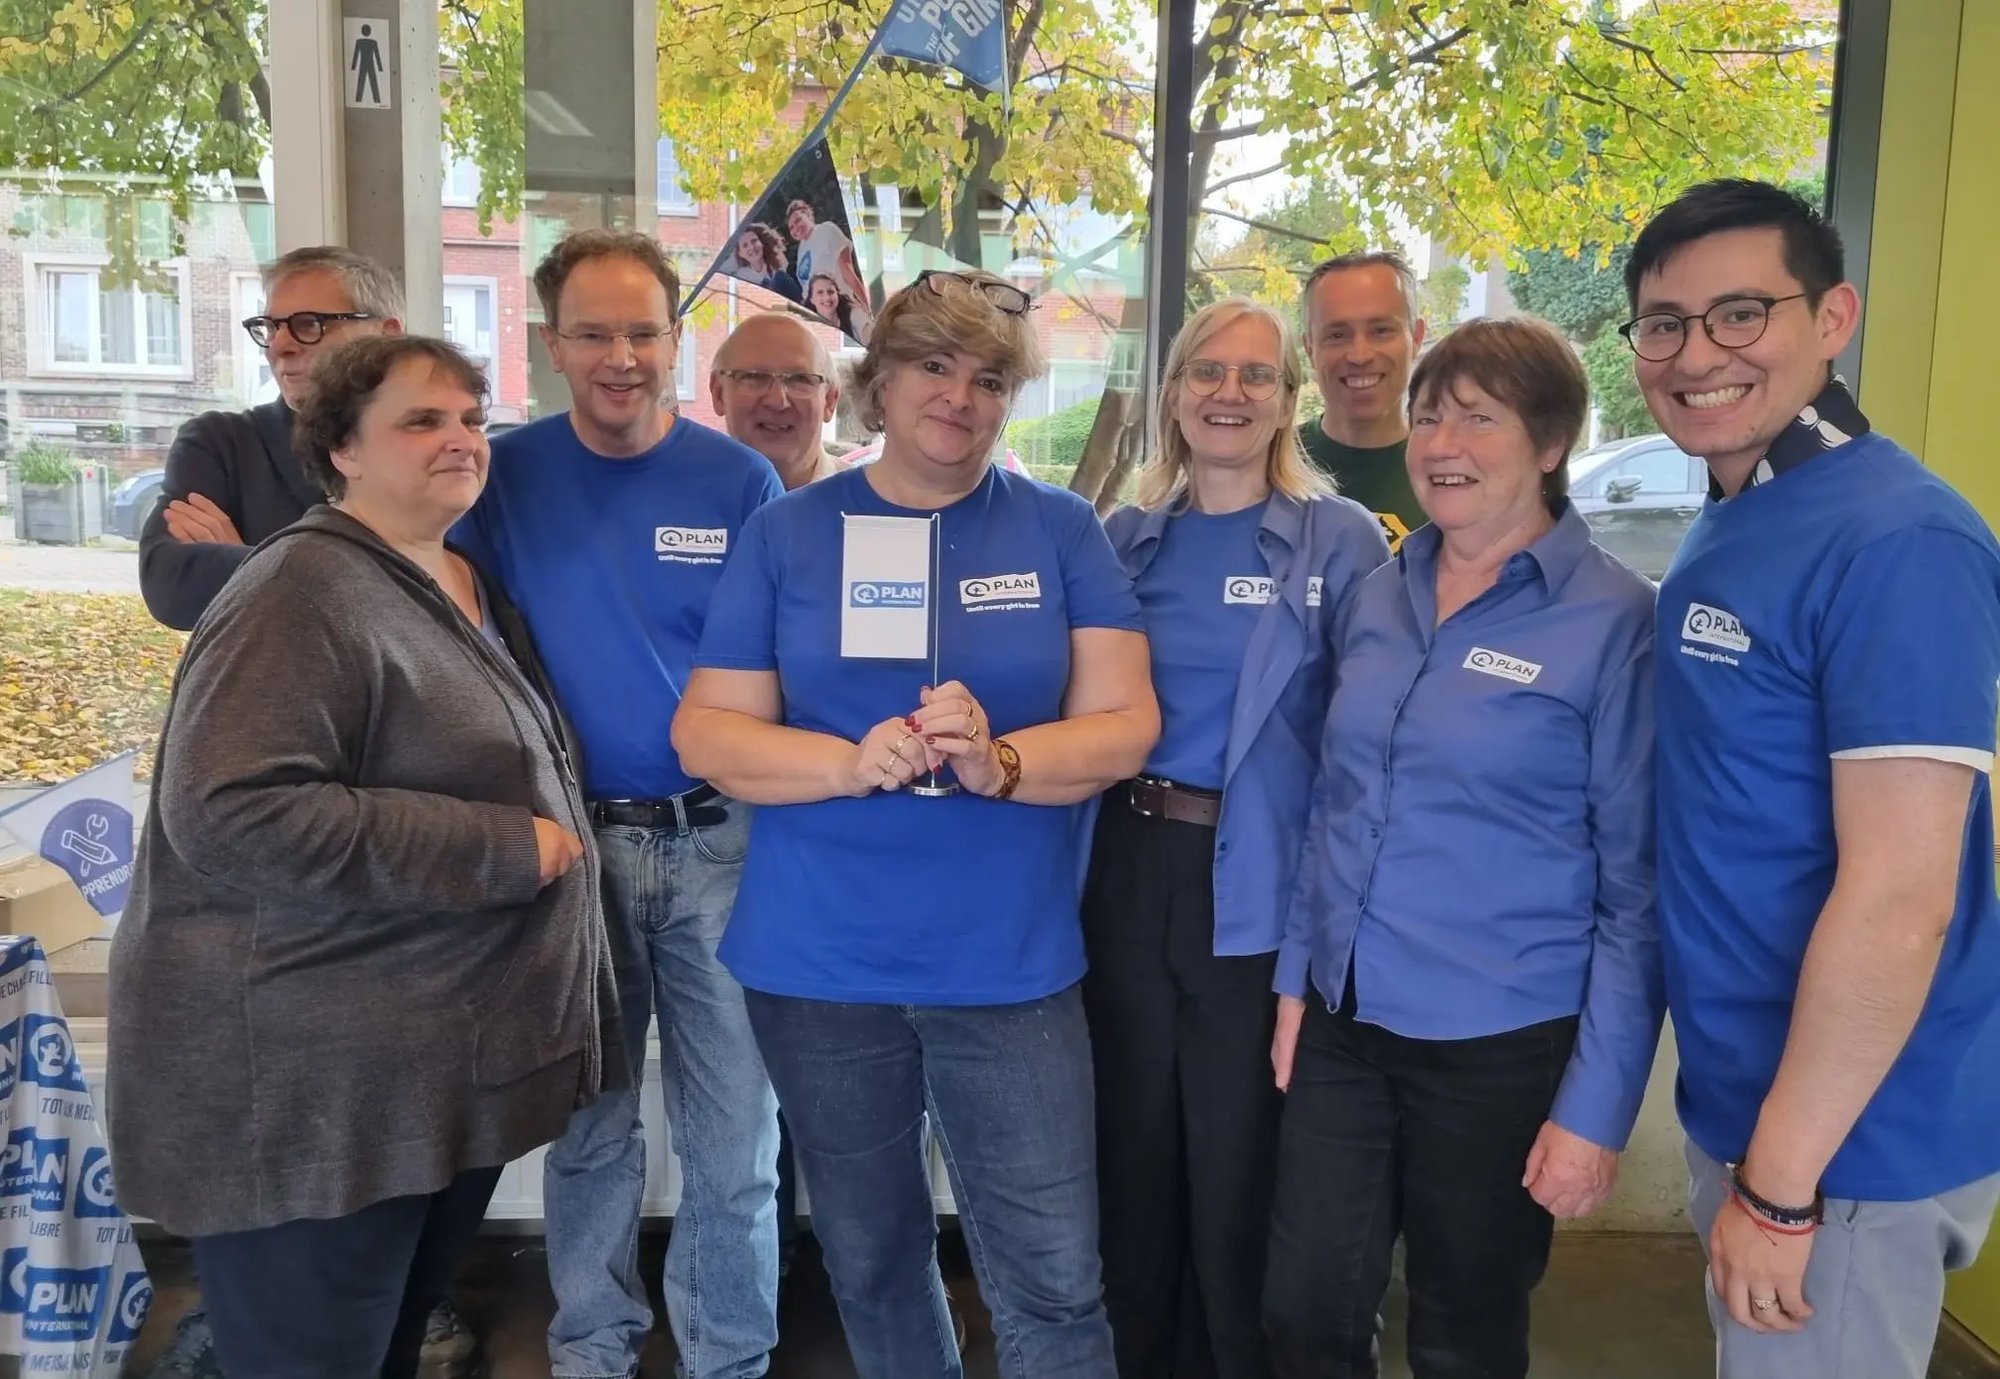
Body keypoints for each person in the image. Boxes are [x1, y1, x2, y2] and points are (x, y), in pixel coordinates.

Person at [673, 267, 1158, 1379]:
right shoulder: (791, 530)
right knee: (872, 1254)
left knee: (1049, 1269)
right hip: (820, 963)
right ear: (877, 383)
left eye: (988, 378)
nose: (959, 396)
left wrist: (1002, 761)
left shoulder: (1058, 529)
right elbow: (707, 733)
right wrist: (844, 763)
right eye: (932, 367)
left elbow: (1126, 724)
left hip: (1006, 960)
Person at [107, 334, 621, 1379]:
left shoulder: (444, 573)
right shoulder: (299, 587)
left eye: (472, 418)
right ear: (341, 447)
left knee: (378, 1346)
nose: (461, 439)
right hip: (306, 1094)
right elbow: (232, 808)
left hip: (410, 1081)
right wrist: (498, 846)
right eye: (421, 420)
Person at [1623, 178, 2000, 1379]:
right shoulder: (1744, 507)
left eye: (1740, 314)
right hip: (1752, 1100)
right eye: (1664, 323)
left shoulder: (1898, 536)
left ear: (1830, 317)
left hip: (1844, 1147)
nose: (1697, 354)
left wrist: (1782, 1188)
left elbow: (1901, 895)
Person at [1264, 314, 1663, 1379]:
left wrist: (1593, 1108)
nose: (1438, 444)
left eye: (1476, 420)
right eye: (1427, 416)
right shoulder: (1378, 590)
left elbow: (1635, 889)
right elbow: (1331, 802)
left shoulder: (1615, 620)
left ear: (1548, 443)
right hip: (1344, 1022)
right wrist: (1296, 979)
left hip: (1497, 1040)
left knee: (1462, 1333)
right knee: (1302, 1310)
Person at [452, 229, 785, 1379]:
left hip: (721, 841)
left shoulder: (740, 481)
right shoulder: (501, 473)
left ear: (673, 338)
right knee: (589, 1128)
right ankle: (593, 1347)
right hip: (572, 853)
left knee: (733, 1133)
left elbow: (780, 663)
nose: (620, 356)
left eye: (642, 330)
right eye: (592, 332)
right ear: (552, 344)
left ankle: (727, 1354)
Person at [1088, 298, 1387, 1378]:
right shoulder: (1123, 537)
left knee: (1234, 1162)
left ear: (1286, 403)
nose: (1227, 392)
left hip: (1256, 881)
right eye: (1205, 371)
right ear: (1170, 392)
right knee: (1132, 1151)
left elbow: (1367, 745)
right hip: (1125, 871)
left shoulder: (1338, 539)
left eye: (1255, 376)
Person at [139, 245, 404, 631]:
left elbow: (452, 597)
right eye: (271, 327)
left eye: (309, 324)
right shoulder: (221, 445)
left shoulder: (435, 451)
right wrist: (370, 584)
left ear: (387, 335)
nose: (281, 345)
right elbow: (173, 590)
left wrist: (253, 564)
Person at [1296, 251, 1429, 549]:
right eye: (1337, 335)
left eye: (1381, 331)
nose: (1360, 355)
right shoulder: (1267, 466)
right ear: (1309, 347)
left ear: (1417, 337)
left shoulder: (1453, 470)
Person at [710, 312, 846, 490]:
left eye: (799, 379)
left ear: (830, 400)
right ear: (718, 393)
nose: (777, 401)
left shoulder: (869, 509)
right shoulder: (681, 500)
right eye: (755, 377)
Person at [786, 199, 869, 306]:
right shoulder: (802, 249)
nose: (795, 228)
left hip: (837, 304)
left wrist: (869, 307)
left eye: (798, 221)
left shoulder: (826, 230)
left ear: (808, 215)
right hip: (815, 309)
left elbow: (848, 272)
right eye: (791, 227)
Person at [726, 223, 803, 303]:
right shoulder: (743, 278)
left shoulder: (777, 261)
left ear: (761, 242)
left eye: (754, 241)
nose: (752, 247)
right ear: (740, 253)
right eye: (745, 245)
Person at [807, 271, 874, 345]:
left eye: (831, 292)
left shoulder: (854, 314)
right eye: (820, 292)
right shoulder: (807, 326)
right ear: (812, 300)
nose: (827, 297)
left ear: (837, 295)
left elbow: (872, 342)